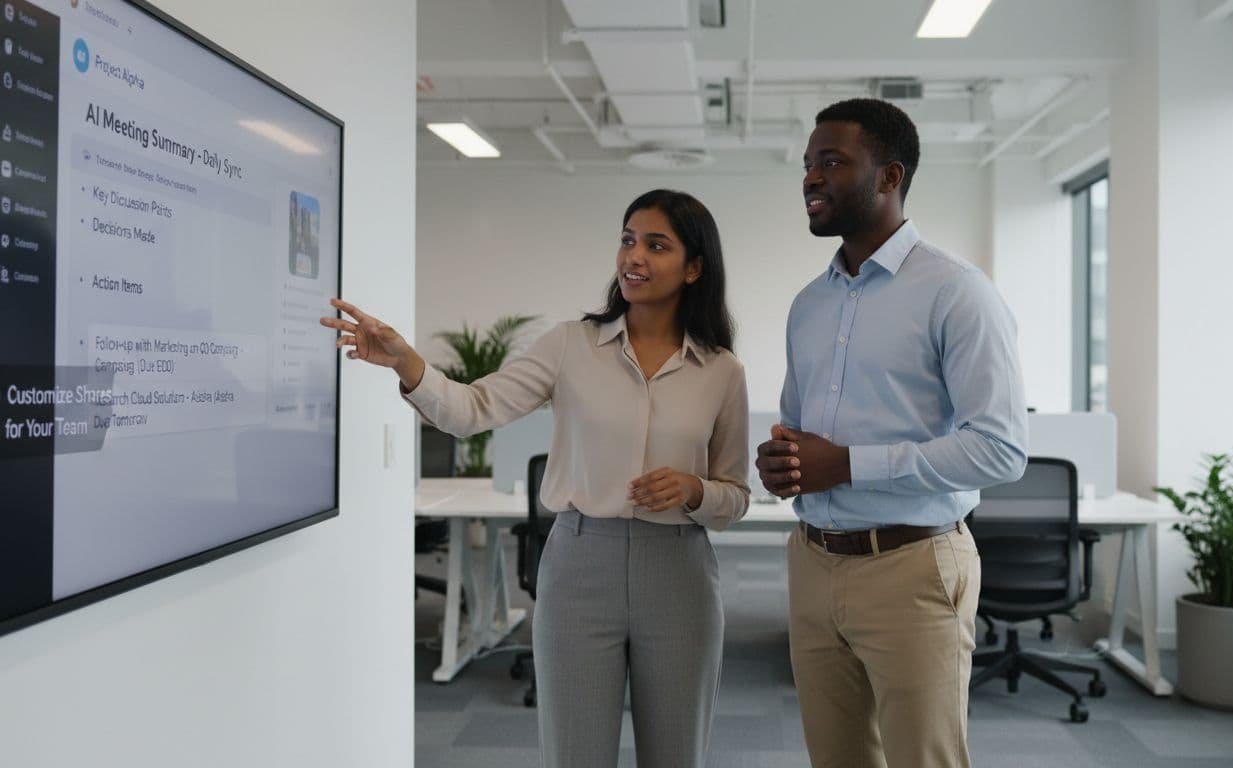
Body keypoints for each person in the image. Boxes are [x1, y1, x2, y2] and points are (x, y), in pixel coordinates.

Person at [322, 189, 749, 768]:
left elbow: (735, 496)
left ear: (694, 267)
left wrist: (697, 491)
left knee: (677, 756)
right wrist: (406, 362)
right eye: (627, 240)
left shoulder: (721, 371)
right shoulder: (571, 345)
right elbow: (473, 409)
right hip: (580, 567)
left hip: (679, 574)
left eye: (656, 245)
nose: (633, 257)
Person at [755, 98, 1027, 768]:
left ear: (889, 177)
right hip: (814, 561)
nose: (810, 178)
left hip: (912, 565)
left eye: (831, 162)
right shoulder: (809, 304)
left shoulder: (956, 292)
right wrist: (782, 460)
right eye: (807, 164)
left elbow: (1001, 448)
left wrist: (847, 465)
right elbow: (800, 431)